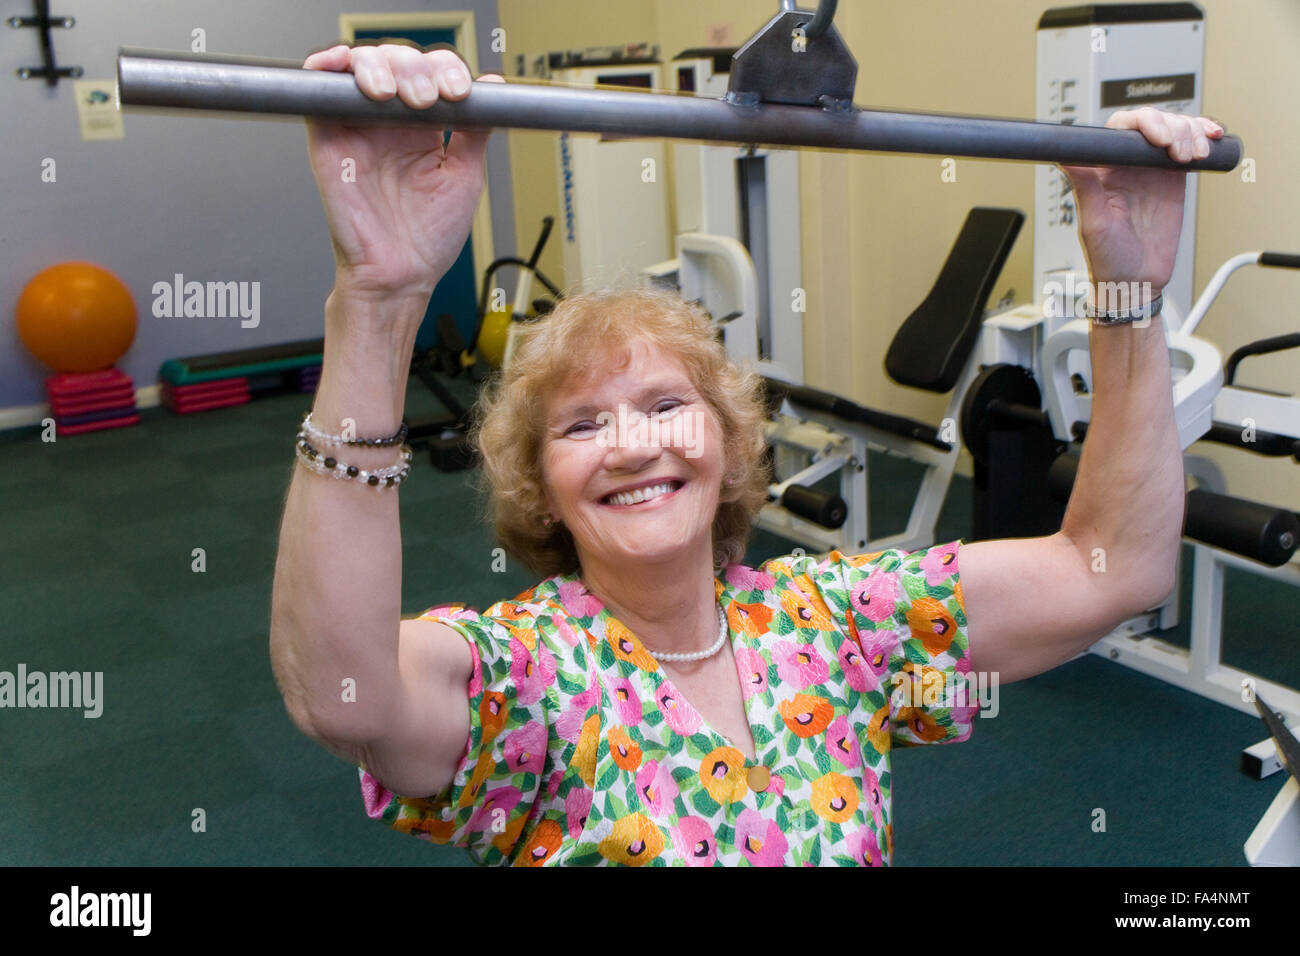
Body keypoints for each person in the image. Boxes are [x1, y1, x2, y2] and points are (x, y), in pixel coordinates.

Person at [269, 41, 1224, 866]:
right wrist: (381, 297)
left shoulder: (836, 624)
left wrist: (1130, 289)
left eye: (665, 405)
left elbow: (1117, 569)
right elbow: (345, 698)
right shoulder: (530, 674)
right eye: (582, 425)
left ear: (727, 449)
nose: (633, 446)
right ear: (542, 492)